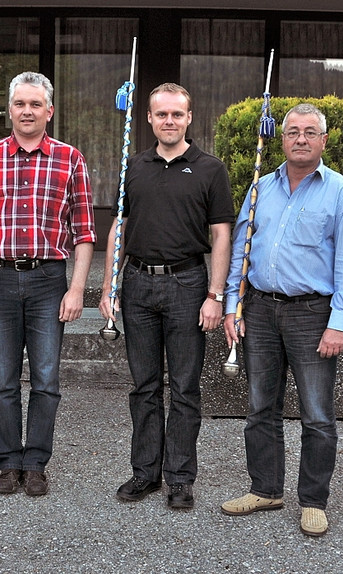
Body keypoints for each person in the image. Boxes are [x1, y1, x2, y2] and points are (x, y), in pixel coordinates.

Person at [220, 103, 343, 537]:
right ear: (281, 139)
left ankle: (313, 501)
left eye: (309, 132)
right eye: (292, 132)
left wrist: (340, 320)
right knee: (260, 407)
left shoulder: (342, 193)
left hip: (313, 313)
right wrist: (232, 305)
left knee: (317, 414)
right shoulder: (260, 188)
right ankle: (265, 489)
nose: (300, 139)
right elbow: (242, 250)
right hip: (260, 309)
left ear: (324, 140)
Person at [0, 71, 95, 497]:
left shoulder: (70, 159)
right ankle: (8, 464)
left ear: (49, 111)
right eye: (20, 104)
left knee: (47, 379)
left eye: (36, 104)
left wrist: (76, 289)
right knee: (3, 380)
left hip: (48, 280)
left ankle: (35, 463)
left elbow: (84, 232)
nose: (28, 111)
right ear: (10, 110)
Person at [98, 83, 234, 511]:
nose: (169, 121)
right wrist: (109, 286)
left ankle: (180, 478)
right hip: (137, 283)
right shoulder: (133, 165)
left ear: (189, 118)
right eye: (161, 114)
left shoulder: (210, 169)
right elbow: (119, 228)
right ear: (150, 118)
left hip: (187, 284)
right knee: (144, 386)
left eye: (177, 114)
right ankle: (145, 472)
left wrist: (215, 294)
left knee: (185, 388)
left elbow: (221, 235)